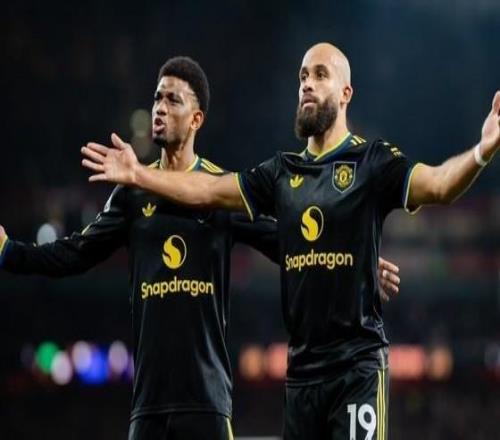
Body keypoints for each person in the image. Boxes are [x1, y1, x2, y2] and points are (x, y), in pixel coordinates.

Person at [81, 42, 500, 439]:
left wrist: (481, 151)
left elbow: (439, 184)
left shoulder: (372, 161)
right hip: (300, 376)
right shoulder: (281, 172)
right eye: (302, 76)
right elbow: (207, 190)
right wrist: (139, 175)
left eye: (320, 75)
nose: (307, 84)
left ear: (346, 93)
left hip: (356, 367)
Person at [0, 55, 401, 439]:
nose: (159, 107)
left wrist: (359, 262)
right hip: (148, 405)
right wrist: (9, 251)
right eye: (157, 97)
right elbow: (75, 253)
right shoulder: (131, 194)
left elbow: (291, 244)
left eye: (173, 99)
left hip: (207, 403)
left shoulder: (219, 194)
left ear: (196, 119)